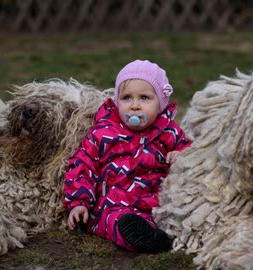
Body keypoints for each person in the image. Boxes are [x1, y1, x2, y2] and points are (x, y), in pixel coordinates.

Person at [63, 60, 191, 253]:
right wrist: (79, 203)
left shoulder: (169, 132)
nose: (135, 106)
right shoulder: (103, 133)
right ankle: (137, 236)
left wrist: (180, 155)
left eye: (145, 98)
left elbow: (194, 154)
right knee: (113, 221)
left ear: (161, 103)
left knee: (173, 218)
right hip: (113, 204)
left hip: (156, 203)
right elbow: (82, 166)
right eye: (127, 98)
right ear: (117, 100)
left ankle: (162, 237)